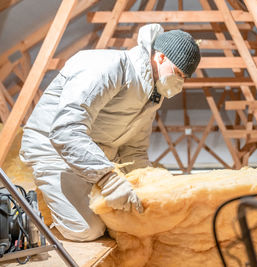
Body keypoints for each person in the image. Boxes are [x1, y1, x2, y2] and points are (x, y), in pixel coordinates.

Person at [19, 24, 201, 241]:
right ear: (160, 57)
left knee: (124, 221)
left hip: (95, 159)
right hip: (55, 152)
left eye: (184, 78)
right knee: (88, 230)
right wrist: (108, 178)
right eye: (178, 73)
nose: (180, 82)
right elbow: (65, 130)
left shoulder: (152, 96)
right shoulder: (109, 66)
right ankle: (31, 213)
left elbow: (133, 149)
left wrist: (145, 187)